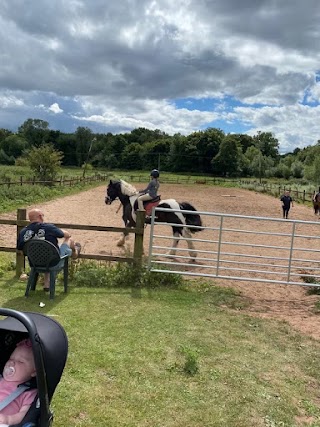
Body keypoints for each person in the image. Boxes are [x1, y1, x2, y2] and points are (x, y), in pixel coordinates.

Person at [17, 208, 81, 290]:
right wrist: (57, 230)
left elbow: (21, 249)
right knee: (69, 240)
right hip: (54, 263)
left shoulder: (23, 232)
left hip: (34, 263)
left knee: (45, 254)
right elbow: (66, 235)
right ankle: (75, 253)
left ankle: (47, 285)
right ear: (40, 216)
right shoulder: (48, 227)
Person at [0, 339, 37, 427]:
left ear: (34, 371)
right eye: (11, 358)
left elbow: (23, 414)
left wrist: (8, 419)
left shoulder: (29, 392)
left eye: (20, 362)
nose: (12, 362)